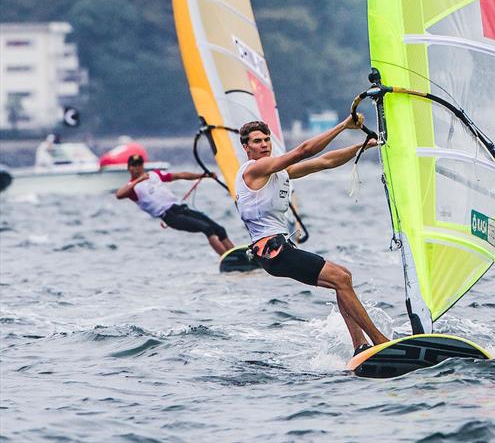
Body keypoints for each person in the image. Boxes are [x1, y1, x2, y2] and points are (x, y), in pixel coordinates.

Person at [236, 116, 390, 356]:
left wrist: (365, 146)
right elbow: (304, 150)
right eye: (257, 141)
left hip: (280, 250)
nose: (265, 144)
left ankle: (360, 346)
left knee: (343, 278)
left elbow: (325, 161)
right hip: (274, 253)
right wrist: (343, 125)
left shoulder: (277, 173)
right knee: (340, 278)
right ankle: (380, 341)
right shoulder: (254, 169)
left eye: (267, 139)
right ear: (246, 147)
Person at [116, 154, 235, 255]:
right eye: (133, 165)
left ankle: (238, 255)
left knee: (219, 229)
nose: (137, 168)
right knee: (207, 229)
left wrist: (203, 175)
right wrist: (138, 180)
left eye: (139, 165)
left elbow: (180, 175)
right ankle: (226, 258)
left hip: (181, 209)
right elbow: (119, 195)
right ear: (129, 168)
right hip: (170, 217)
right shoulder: (132, 188)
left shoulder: (154, 175)